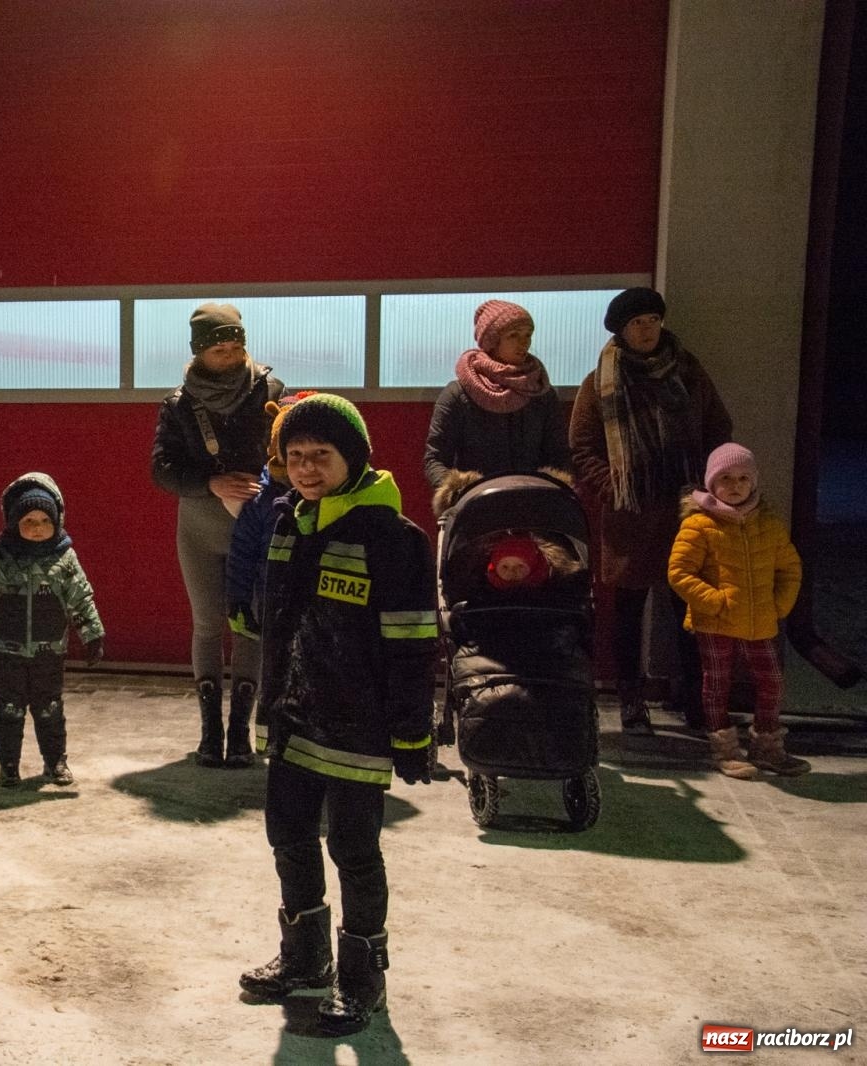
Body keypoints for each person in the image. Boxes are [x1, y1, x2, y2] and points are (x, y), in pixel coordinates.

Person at [235, 394, 437, 1037]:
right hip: (294, 723)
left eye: (321, 454)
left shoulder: (394, 539)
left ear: (354, 457)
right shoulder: (288, 525)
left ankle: (362, 978)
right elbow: (278, 629)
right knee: (288, 836)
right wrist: (267, 707)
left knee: (354, 848)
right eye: (294, 456)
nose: (306, 468)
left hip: (359, 730)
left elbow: (413, 642)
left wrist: (412, 730)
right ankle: (305, 960)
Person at [569, 287, 731, 735]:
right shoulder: (600, 382)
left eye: (653, 321)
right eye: (637, 323)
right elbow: (582, 447)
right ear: (621, 330)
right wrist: (615, 488)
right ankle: (631, 702)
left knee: (689, 610)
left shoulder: (688, 372)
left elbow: (718, 426)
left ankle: (696, 700)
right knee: (627, 612)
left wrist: (706, 484)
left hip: (686, 509)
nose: (647, 330)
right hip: (631, 516)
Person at [151, 303, 283, 767]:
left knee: (250, 622)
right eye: (218, 349)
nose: (229, 355)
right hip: (199, 527)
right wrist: (211, 483)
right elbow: (161, 469)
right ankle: (210, 731)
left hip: (257, 525)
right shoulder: (178, 404)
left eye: (235, 346)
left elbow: (288, 455)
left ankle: (241, 731)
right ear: (199, 352)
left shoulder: (271, 392)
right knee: (207, 623)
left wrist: (262, 485)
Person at [0, 473, 105, 787]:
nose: (38, 527)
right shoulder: (1, 554)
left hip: (48, 651)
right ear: (14, 522)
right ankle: (9, 764)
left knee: (49, 708)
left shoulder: (64, 558)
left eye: (45, 520)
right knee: (9, 708)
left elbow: (81, 597)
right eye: (29, 521)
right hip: (7, 650)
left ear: (57, 520)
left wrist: (92, 633)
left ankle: (55, 761)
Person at [667, 444, 808, 777]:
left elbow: (790, 568)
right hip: (715, 622)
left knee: (771, 681)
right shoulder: (699, 524)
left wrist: (779, 605)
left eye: (744, 478)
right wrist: (715, 602)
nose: (735, 485)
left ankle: (767, 746)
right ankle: (725, 748)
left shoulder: (768, 523)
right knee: (717, 683)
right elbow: (679, 572)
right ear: (711, 483)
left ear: (753, 482)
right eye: (726, 478)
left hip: (760, 620)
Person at [223, 389, 317, 766]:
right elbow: (242, 552)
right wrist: (238, 600)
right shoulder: (261, 499)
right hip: (270, 605)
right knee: (272, 672)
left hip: (317, 612)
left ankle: (308, 744)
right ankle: (254, 736)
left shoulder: (329, 497)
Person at [423, 299, 570, 489]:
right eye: (513, 335)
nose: (524, 342)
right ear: (492, 341)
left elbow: (559, 456)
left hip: (532, 500)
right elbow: (435, 459)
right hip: (476, 501)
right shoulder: (458, 394)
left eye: (528, 334)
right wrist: (460, 493)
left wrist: (551, 490)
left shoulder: (541, 392)